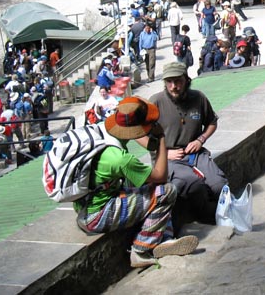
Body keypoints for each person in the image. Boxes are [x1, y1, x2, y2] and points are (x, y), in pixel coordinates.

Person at [75, 97, 199, 268]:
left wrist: (150, 138)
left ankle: (164, 240)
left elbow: (146, 144)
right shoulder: (120, 159)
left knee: (143, 188)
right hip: (97, 216)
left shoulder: (103, 133)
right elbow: (161, 176)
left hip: (86, 204)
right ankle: (141, 249)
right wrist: (161, 137)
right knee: (165, 191)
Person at [149, 63, 228, 225]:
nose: (173, 86)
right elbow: (141, 134)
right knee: (193, 184)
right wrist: (163, 152)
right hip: (168, 157)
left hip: (196, 153)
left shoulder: (198, 98)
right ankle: (209, 217)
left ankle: (220, 213)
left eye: (178, 81)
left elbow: (212, 122)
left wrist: (201, 139)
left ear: (186, 80)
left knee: (219, 184)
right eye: (169, 82)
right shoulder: (155, 102)